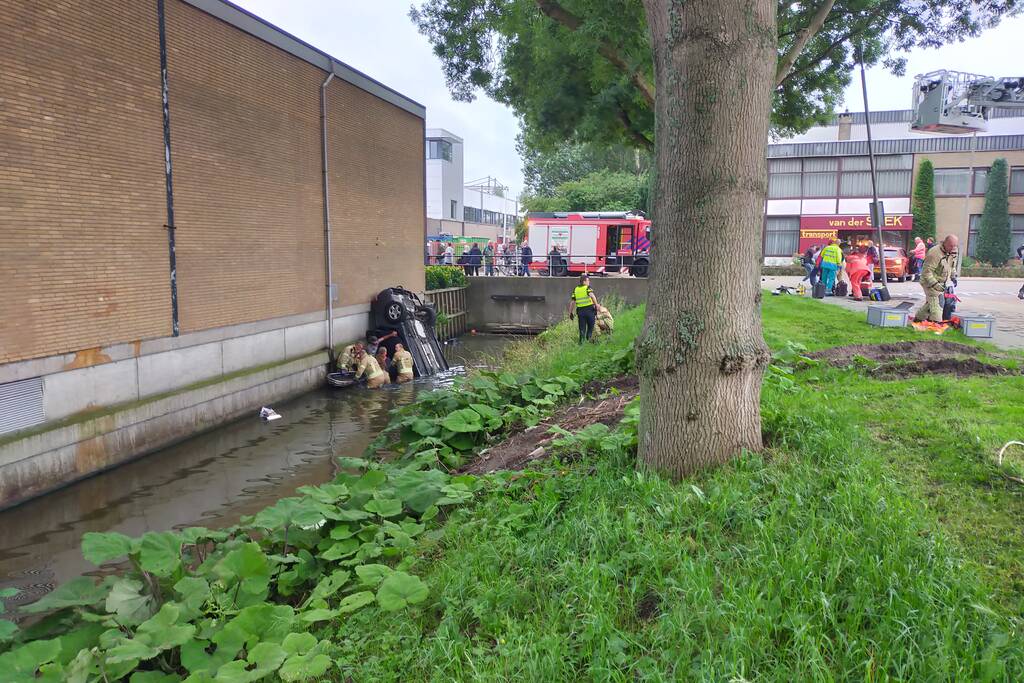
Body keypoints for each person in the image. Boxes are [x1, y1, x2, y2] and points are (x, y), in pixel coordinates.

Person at [914, 234, 959, 323]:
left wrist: (953, 276)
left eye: (955, 246)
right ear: (945, 243)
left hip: (941, 282)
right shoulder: (934, 253)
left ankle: (918, 319)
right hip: (928, 281)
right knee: (937, 304)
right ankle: (935, 326)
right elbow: (926, 272)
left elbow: (952, 265)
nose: (953, 248)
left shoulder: (953, 251)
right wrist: (935, 285)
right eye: (951, 245)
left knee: (930, 304)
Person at [567, 274, 598, 344]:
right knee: (590, 326)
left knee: (582, 328)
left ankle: (581, 343)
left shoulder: (576, 289)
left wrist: (570, 313)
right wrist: (596, 306)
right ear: (584, 282)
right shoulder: (587, 288)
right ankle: (589, 337)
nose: (589, 282)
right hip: (589, 310)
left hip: (580, 312)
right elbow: (592, 296)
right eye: (588, 280)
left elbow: (572, 302)